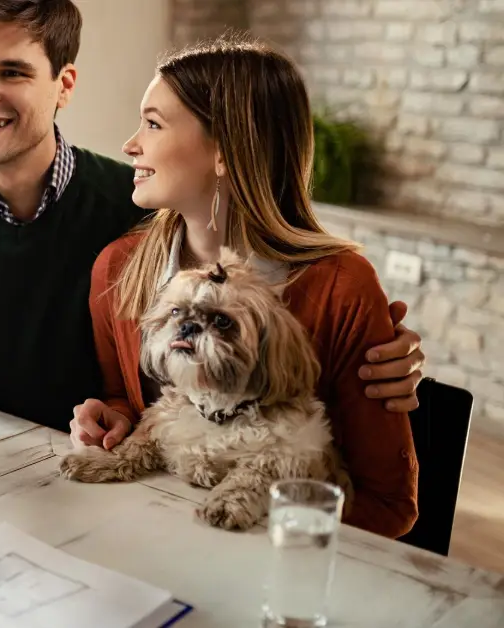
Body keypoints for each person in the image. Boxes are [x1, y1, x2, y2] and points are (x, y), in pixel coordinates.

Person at [0, 0, 426, 430]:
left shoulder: (137, 209)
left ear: (64, 84)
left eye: (11, 72)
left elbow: (242, 295)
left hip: (93, 477)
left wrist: (375, 348)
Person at [72, 35, 418, 538]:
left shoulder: (341, 285)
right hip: (145, 533)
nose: (130, 145)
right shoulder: (119, 268)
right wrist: (114, 420)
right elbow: (126, 398)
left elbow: (389, 505)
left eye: (153, 123)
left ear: (226, 151)